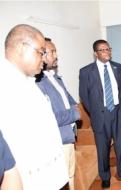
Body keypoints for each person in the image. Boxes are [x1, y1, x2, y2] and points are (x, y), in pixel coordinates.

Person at [0, 24, 68, 190]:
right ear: (23, 48)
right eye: (41, 52)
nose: (44, 58)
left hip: (55, 176)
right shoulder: (5, 86)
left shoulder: (29, 81)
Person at [79, 39, 121, 189]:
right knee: (102, 148)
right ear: (95, 53)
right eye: (102, 50)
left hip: (117, 112)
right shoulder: (86, 72)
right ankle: (105, 176)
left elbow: (120, 92)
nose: (107, 52)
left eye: (108, 49)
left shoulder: (118, 67)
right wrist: (97, 112)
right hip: (101, 115)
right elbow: (84, 96)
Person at [36, 38, 81, 190]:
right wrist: (74, 114)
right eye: (52, 52)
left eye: (56, 51)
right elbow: (48, 119)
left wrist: (74, 108)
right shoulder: (36, 84)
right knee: (61, 182)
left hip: (69, 136)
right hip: (57, 141)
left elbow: (69, 99)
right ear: (41, 55)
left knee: (70, 176)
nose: (56, 55)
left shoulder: (55, 77)